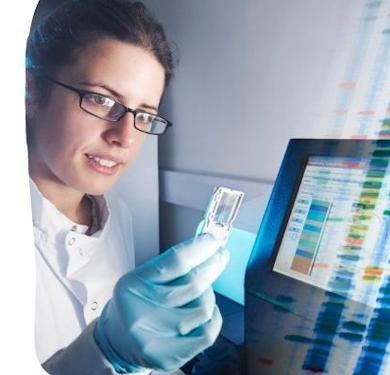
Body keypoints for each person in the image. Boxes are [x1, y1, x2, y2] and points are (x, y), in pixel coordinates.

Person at [25, 0, 235, 374]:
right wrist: (107, 351)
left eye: (145, 115)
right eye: (101, 100)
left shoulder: (117, 213)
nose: (124, 136)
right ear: (32, 90)